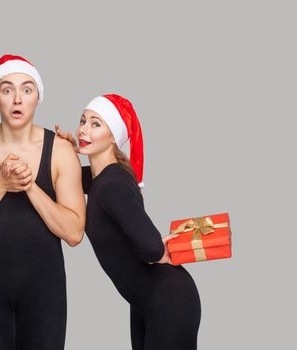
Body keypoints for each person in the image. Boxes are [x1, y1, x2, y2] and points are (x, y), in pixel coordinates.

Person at [0, 54, 86, 350]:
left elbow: (74, 233)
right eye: (7, 89)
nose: (17, 99)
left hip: (45, 292)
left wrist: (29, 186)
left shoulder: (60, 152)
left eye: (27, 90)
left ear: (38, 97)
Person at [55, 94, 201, 350]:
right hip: (147, 301)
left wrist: (158, 251)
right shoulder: (106, 178)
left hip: (169, 300)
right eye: (83, 121)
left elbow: (152, 248)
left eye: (96, 124)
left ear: (113, 137)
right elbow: (71, 176)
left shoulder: (112, 185)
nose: (83, 129)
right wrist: (69, 149)